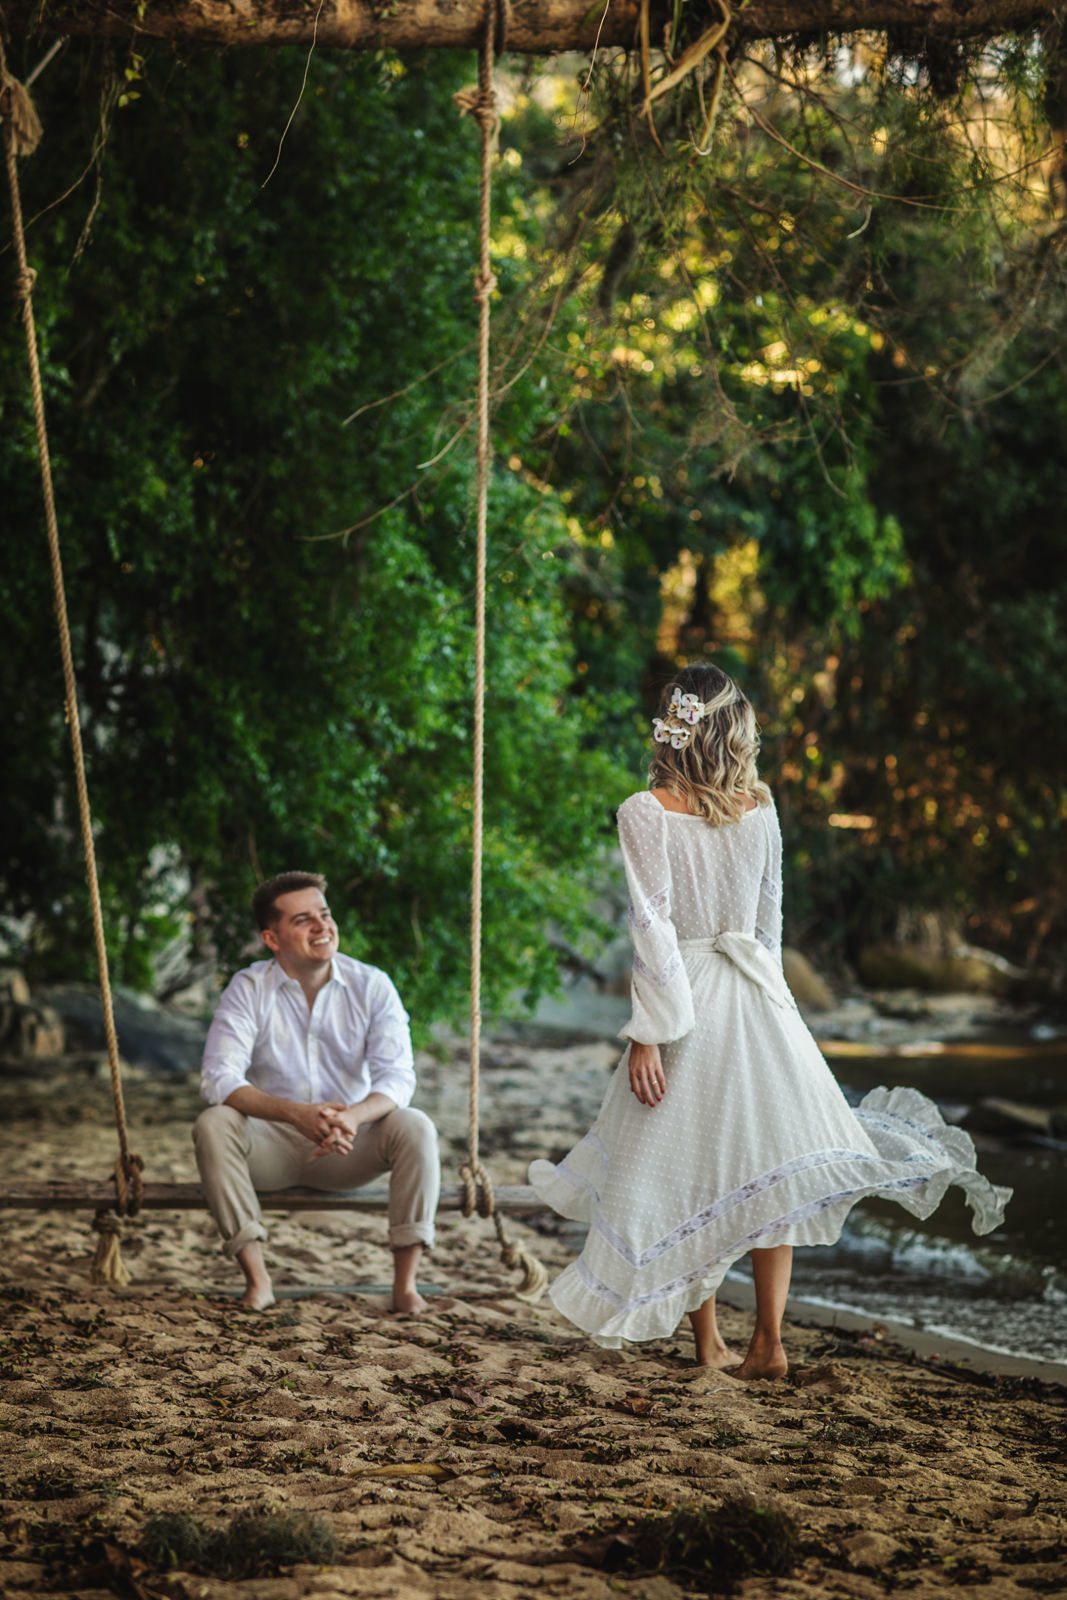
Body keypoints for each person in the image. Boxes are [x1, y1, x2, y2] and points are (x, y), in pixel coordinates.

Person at [529, 665, 1011, 1378]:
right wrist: (778, 1005)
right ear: (734, 734)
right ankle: (768, 1342)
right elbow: (767, 921)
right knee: (766, 1170)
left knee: (687, 1169)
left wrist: (648, 1032)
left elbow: (652, 925)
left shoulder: (645, 809)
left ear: (673, 727)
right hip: (757, 996)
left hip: (689, 1000)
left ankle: (707, 1344)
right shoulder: (760, 806)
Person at [193, 871, 440, 1312]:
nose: (322, 927)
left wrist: (352, 1117)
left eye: (324, 915)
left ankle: (405, 1287)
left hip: (349, 1147)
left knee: (414, 1124)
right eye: (303, 920)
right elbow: (218, 1076)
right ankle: (258, 1281)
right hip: (272, 1147)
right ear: (272, 938)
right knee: (214, 1123)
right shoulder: (248, 988)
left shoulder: (372, 985)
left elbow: (398, 1077)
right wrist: (295, 1114)